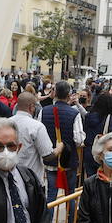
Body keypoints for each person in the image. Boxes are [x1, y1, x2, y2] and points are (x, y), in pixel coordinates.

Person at [39, 80, 86, 209]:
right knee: (69, 194)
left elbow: (40, 135)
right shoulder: (74, 113)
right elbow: (78, 139)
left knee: (51, 196)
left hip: (51, 158)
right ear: (69, 95)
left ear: (54, 93)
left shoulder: (44, 111)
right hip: (69, 160)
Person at [9, 91, 56, 186]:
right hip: (31, 181)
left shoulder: (6, 123)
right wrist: (60, 148)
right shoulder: (37, 126)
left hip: (10, 178)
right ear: (31, 107)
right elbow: (47, 155)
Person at [81, 91, 112, 177]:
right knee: (103, 177)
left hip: (88, 150)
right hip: (101, 151)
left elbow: (84, 130)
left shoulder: (88, 116)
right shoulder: (109, 118)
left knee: (90, 177)